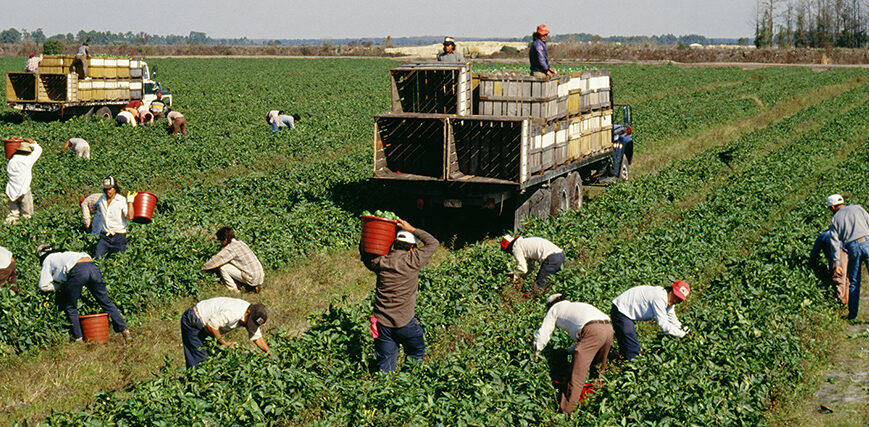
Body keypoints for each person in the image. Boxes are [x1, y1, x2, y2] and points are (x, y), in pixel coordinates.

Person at [361, 219, 438, 372]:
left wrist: (367, 234)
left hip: (382, 323)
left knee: (385, 364)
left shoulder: (381, 262)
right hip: (405, 322)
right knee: (416, 352)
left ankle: (384, 385)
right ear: (412, 248)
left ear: (394, 244)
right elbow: (433, 243)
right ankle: (407, 380)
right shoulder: (412, 261)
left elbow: (365, 253)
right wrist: (412, 229)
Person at [533, 293, 612, 413]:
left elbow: (543, 333)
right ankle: (596, 403)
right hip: (608, 328)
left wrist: (536, 351)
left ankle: (567, 411)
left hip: (592, 329)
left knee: (577, 375)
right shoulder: (574, 306)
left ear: (550, 305)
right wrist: (567, 351)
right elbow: (587, 341)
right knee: (598, 370)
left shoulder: (554, 309)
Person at [36, 244, 131, 342]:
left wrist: (61, 287)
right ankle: (125, 331)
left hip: (78, 270)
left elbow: (43, 286)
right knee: (105, 302)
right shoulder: (65, 255)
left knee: (71, 307)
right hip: (92, 267)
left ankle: (78, 338)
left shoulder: (47, 260)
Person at [610, 281, 691, 361]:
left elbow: (673, 319)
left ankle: (624, 356)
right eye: (676, 296)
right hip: (621, 309)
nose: (676, 301)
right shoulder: (659, 297)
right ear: (670, 291)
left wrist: (687, 331)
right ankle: (632, 362)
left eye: (679, 300)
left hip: (628, 310)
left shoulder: (669, 301)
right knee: (631, 343)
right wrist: (683, 335)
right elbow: (664, 326)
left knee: (627, 339)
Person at [181, 297, 269, 368]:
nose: (248, 325)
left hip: (206, 326)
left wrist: (270, 354)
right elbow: (211, 325)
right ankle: (194, 383)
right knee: (199, 359)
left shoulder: (251, 312)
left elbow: (257, 337)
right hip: (194, 320)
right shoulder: (234, 312)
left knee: (217, 357)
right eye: (249, 322)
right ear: (248, 312)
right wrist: (225, 344)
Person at [827, 194, 869, 319]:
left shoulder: (835, 219)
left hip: (852, 247)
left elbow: (834, 244)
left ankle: (852, 315)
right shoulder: (857, 208)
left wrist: (837, 263)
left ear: (833, 207)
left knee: (854, 281)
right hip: (867, 242)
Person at [201, 227, 264, 294]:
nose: (221, 243)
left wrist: (202, 267)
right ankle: (249, 287)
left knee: (223, 267)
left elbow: (216, 261)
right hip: (260, 276)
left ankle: (235, 291)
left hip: (251, 278)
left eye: (221, 240)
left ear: (225, 239)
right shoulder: (241, 243)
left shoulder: (230, 248)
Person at [501, 234, 565, 296]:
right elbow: (531, 267)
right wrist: (523, 277)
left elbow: (522, 268)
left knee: (538, 288)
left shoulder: (516, 247)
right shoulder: (524, 244)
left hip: (551, 258)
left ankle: (534, 301)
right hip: (560, 255)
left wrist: (515, 276)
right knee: (553, 285)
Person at [93, 176, 135, 258]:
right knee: (98, 259)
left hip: (119, 236)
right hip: (104, 236)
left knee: (120, 259)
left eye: (110, 189)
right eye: (106, 189)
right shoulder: (101, 199)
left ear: (115, 188)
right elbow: (95, 209)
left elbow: (130, 217)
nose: (107, 191)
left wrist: (130, 202)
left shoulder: (121, 200)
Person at [5, 138, 42, 224]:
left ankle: (8, 227)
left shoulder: (11, 161)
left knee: (13, 214)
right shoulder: (27, 160)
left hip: (11, 191)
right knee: (27, 215)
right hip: (24, 190)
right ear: (26, 152)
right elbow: (39, 150)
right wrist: (33, 143)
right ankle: (26, 228)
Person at [809, 229, 849, 306]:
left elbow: (814, 253)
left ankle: (840, 304)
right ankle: (846, 303)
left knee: (839, 279)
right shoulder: (843, 233)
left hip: (838, 255)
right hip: (846, 254)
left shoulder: (824, 235)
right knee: (846, 279)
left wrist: (812, 263)